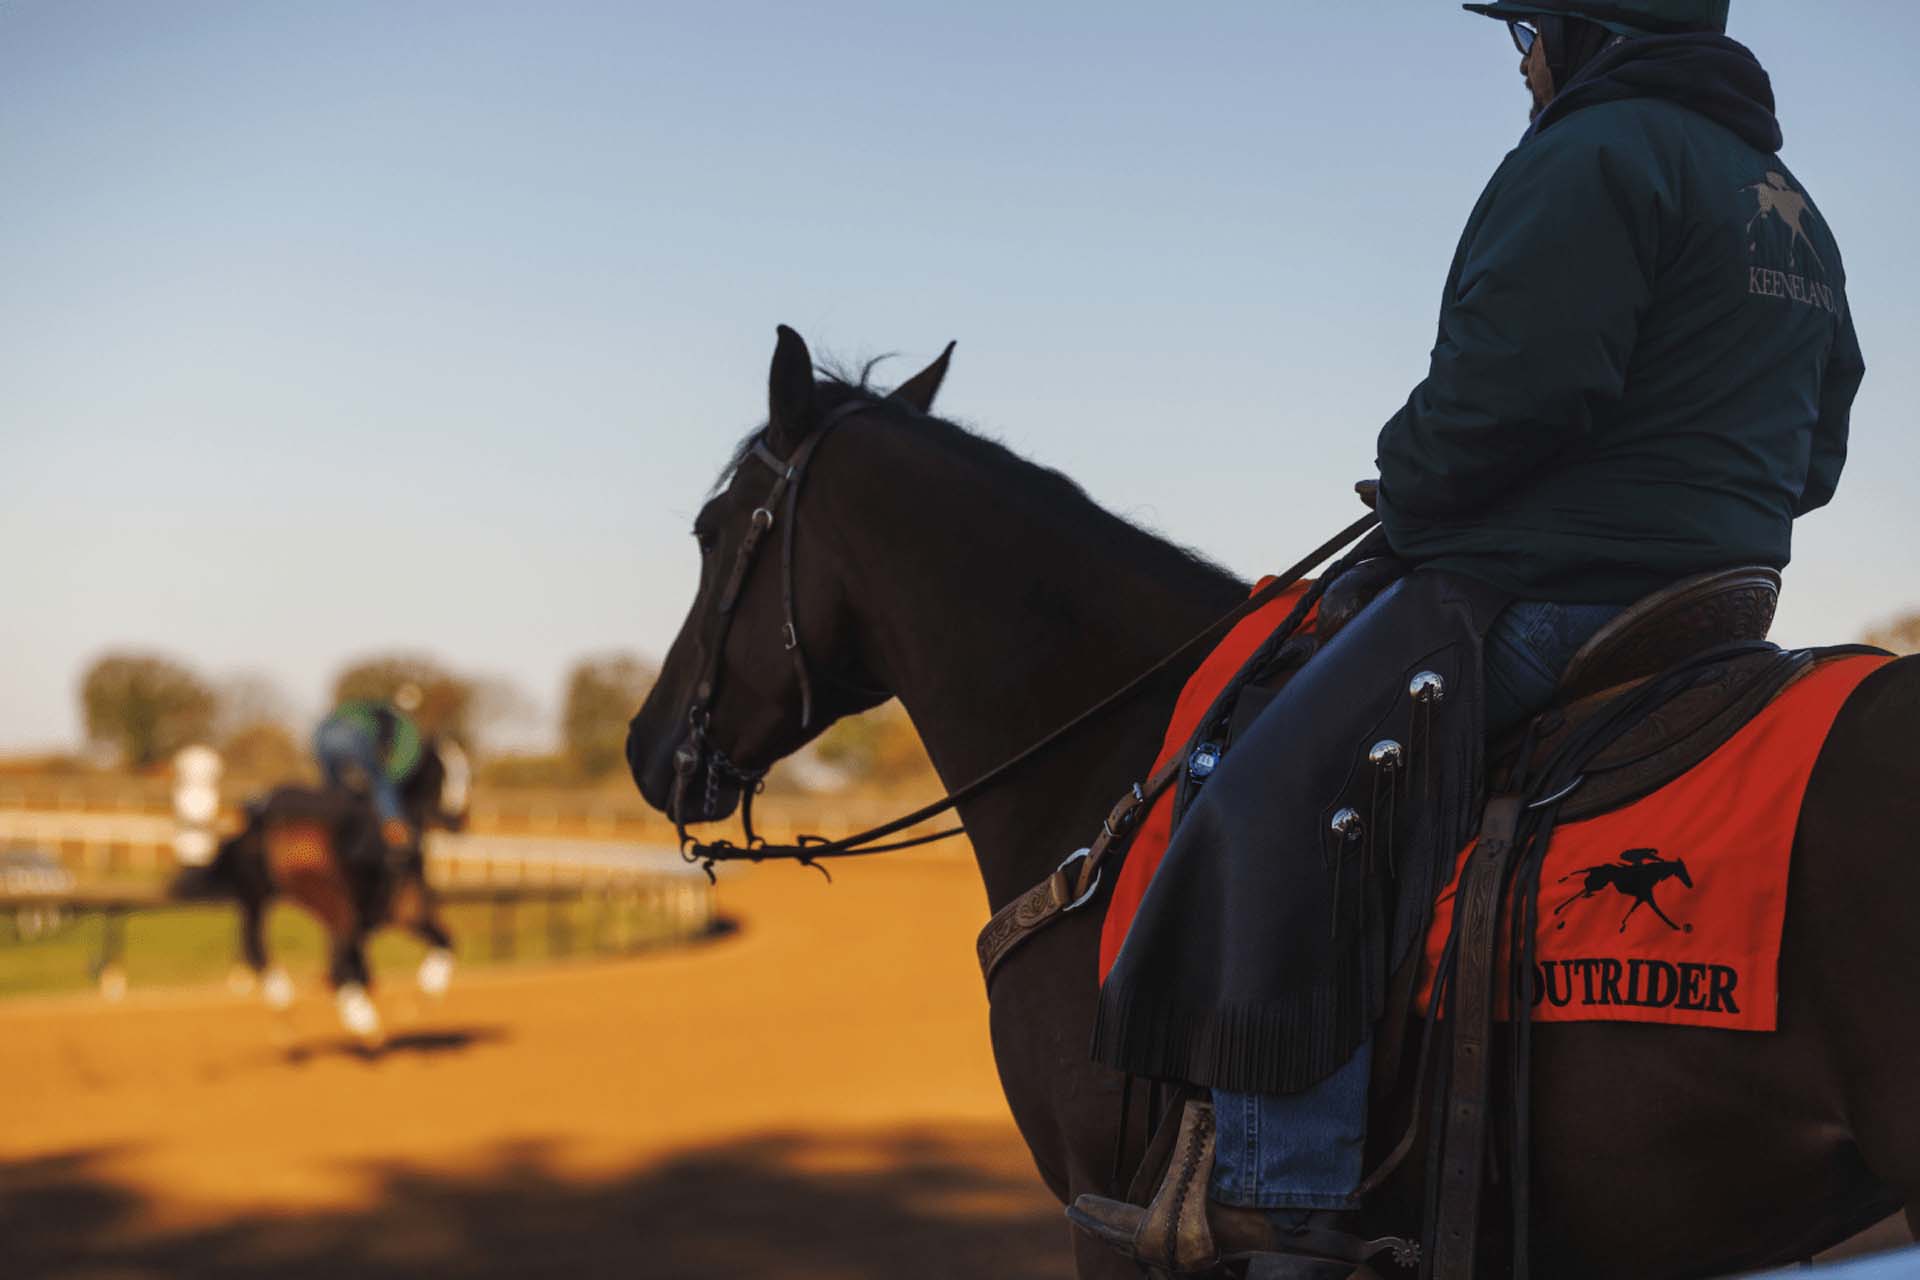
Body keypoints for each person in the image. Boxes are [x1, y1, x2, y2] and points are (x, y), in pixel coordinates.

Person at [1072, 1, 1862, 1272]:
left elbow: (1515, 388)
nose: (1527, 62)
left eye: (1530, 34)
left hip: (1547, 595)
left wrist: (1412, 480)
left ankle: (1285, 1205)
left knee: (1279, 786)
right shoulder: (1789, 201)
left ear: (1585, 29)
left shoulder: (1591, 150)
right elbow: (1817, 452)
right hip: (1722, 603)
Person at [312, 683, 428, 858]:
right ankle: (395, 830)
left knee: (332, 788)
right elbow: (402, 761)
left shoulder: (358, 709)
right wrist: (389, 777)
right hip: (351, 734)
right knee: (382, 781)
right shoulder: (394, 719)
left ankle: (326, 829)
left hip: (323, 733)